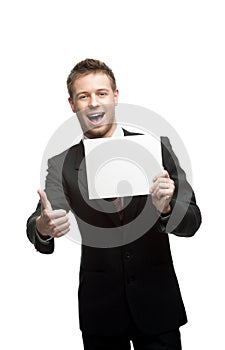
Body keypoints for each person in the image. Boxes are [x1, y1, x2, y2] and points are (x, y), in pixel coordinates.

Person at [27, 58, 202, 350]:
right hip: (101, 311)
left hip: (158, 305)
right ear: (73, 104)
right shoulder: (62, 164)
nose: (94, 103)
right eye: (84, 96)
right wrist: (44, 226)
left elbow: (193, 221)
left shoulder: (156, 149)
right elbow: (39, 224)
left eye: (102, 93)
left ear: (115, 96)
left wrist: (169, 208)